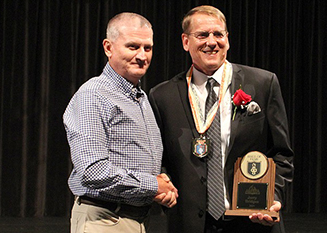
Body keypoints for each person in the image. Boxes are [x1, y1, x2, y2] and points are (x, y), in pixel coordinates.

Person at [149, 5, 294, 233]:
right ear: (186, 42)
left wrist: (272, 197)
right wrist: (162, 185)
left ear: (227, 39)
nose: (212, 41)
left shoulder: (263, 84)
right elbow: (159, 159)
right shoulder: (162, 96)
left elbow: (282, 154)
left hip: (252, 223)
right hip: (191, 224)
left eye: (218, 34)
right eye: (202, 35)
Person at [63, 12, 178, 233]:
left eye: (148, 48)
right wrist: (153, 185)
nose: (142, 56)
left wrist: (161, 185)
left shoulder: (140, 98)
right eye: (133, 47)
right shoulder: (93, 94)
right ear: (108, 48)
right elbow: (93, 171)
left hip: (136, 220)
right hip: (105, 220)